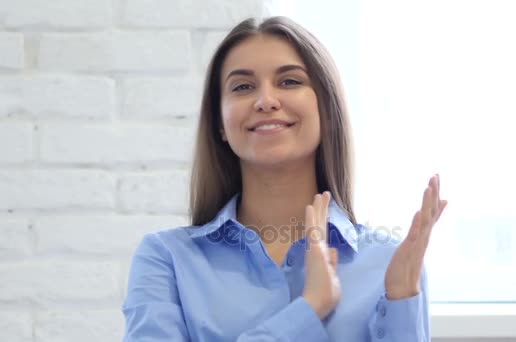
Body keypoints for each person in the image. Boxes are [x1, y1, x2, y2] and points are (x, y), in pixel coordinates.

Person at [122, 16, 447, 341]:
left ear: (326, 108)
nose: (266, 101)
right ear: (220, 123)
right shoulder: (166, 259)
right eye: (243, 87)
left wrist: (403, 299)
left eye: (290, 81)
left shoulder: (390, 263)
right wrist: (311, 307)